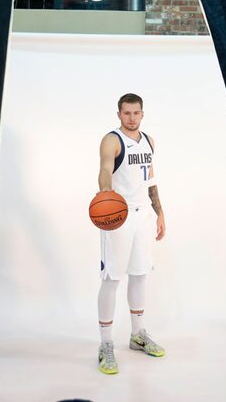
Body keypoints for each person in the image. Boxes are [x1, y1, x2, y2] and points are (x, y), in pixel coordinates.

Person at [96, 93, 166, 375]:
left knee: (139, 274)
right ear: (119, 114)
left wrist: (159, 211)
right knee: (112, 277)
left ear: (142, 114)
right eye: (127, 113)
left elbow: (151, 179)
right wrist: (105, 195)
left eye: (136, 113)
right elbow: (104, 171)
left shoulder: (149, 141)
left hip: (144, 215)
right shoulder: (111, 140)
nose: (132, 118)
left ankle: (138, 335)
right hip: (119, 215)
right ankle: (105, 345)